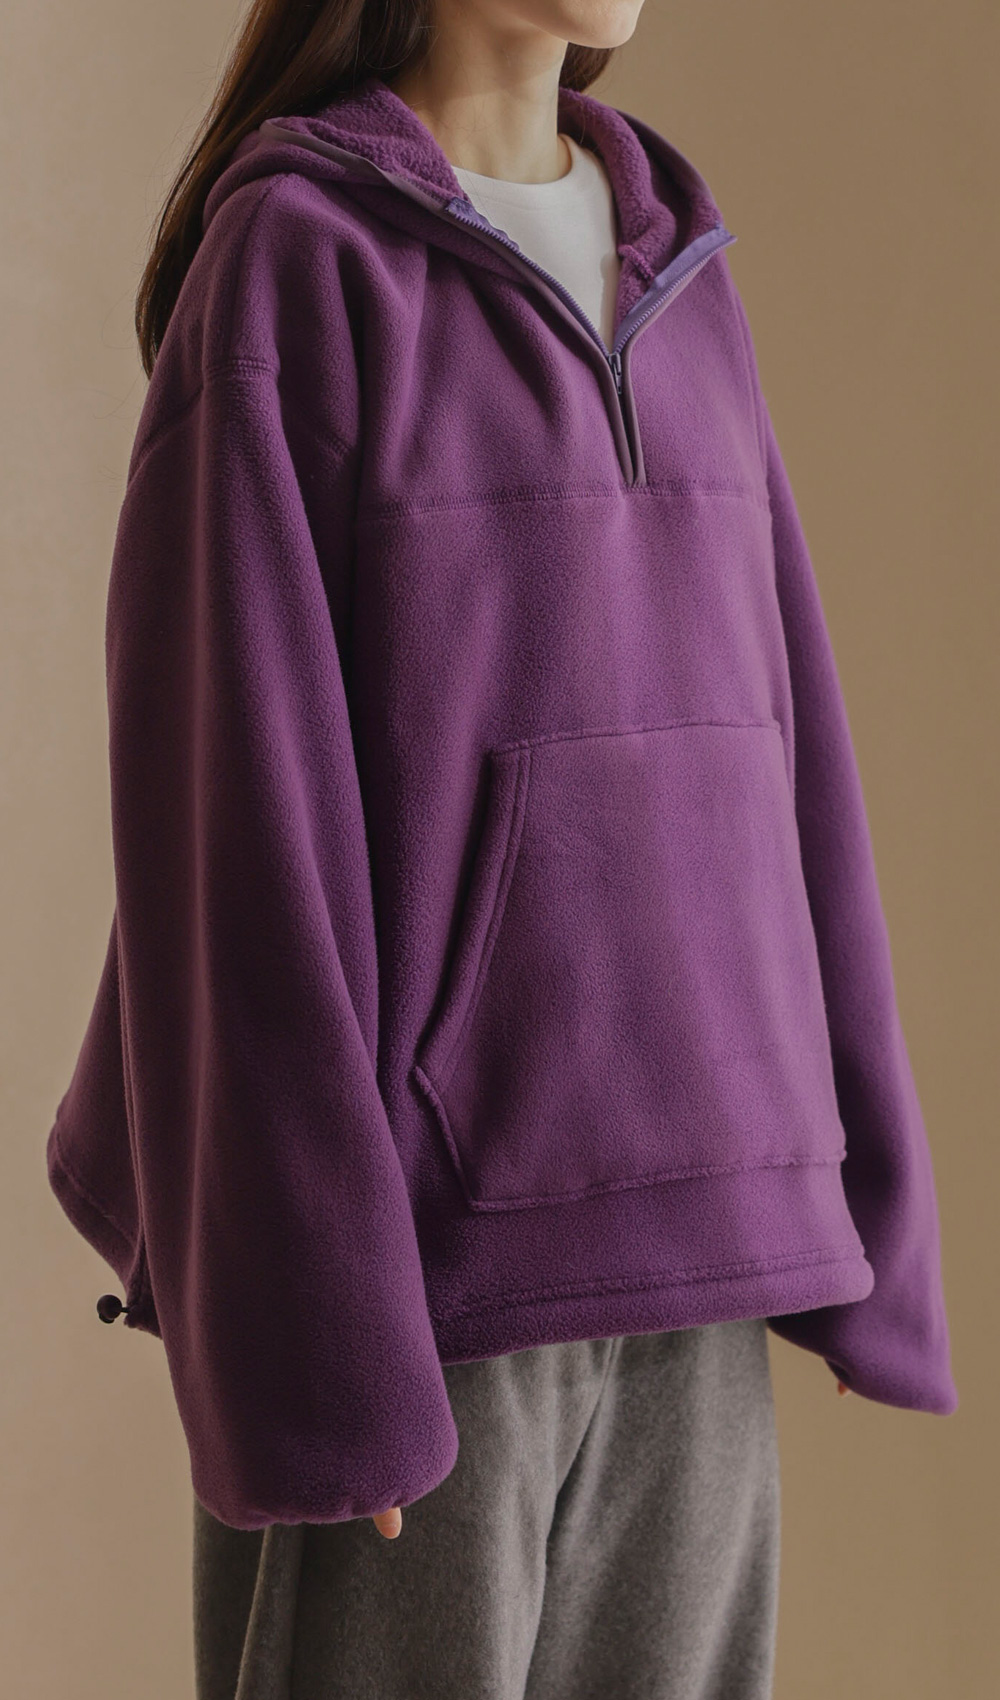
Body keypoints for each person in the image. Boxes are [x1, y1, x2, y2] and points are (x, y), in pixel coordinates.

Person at [45, 1, 958, 1694]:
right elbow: (232, 828)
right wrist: (318, 1344)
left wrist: (862, 1208)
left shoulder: (681, 260)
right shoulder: (299, 260)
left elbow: (787, 750)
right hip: (422, 1292)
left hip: (702, 1248)